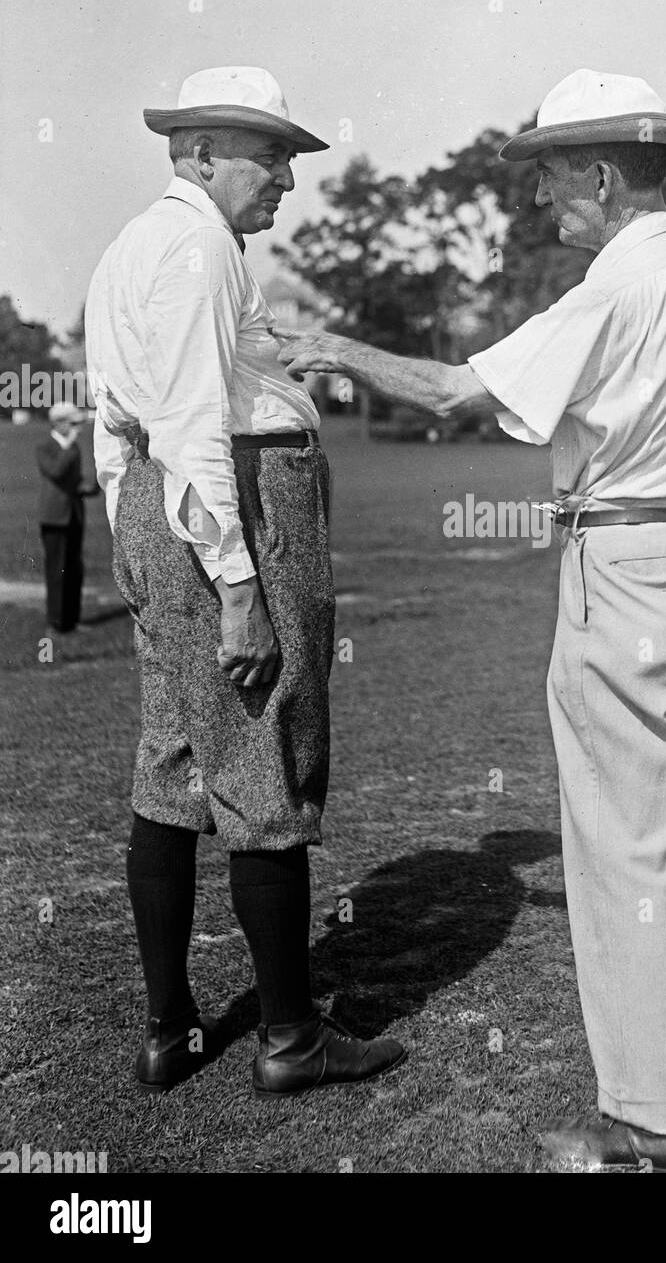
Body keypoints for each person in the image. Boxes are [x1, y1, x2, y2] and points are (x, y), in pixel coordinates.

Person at [274, 69, 666, 1171]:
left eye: (553, 177)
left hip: (629, 570)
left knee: (623, 851)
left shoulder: (614, 288)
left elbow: (461, 394)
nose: (545, 201)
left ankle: (653, 1115)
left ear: (605, 174)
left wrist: (333, 350)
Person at [84, 66, 405, 1099]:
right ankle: (290, 1035)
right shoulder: (198, 248)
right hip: (230, 510)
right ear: (201, 153)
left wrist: (130, 544)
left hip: (152, 508)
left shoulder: (133, 246)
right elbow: (190, 428)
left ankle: (170, 1031)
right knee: (265, 750)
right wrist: (235, 586)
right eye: (272, 158)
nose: (288, 182)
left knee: (173, 764)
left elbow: (119, 434)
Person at [37, 401, 99, 633]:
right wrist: (68, 445)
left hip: (73, 515)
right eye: (73, 423)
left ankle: (72, 620)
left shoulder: (71, 447)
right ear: (59, 423)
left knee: (74, 569)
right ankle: (56, 623)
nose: (78, 428)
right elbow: (56, 472)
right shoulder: (46, 446)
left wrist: (94, 486)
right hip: (53, 518)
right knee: (56, 571)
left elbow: (72, 483)